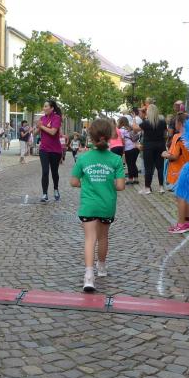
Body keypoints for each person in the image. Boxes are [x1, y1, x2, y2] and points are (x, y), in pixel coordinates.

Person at [70, 119, 125, 293]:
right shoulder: (116, 159)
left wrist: (88, 183)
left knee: (89, 239)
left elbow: (74, 182)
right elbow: (121, 186)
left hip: (88, 205)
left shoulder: (83, 158)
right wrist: (106, 183)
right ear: (110, 137)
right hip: (106, 205)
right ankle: (101, 267)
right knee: (103, 237)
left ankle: (88, 276)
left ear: (91, 137)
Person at [163, 113, 189, 233]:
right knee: (188, 196)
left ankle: (181, 224)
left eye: (175, 122)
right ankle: (188, 222)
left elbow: (174, 156)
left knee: (181, 197)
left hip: (179, 170)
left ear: (179, 124)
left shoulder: (178, 137)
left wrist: (164, 154)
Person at [135, 104, 167, 195]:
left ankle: (147, 188)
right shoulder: (162, 122)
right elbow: (165, 134)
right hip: (160, 146)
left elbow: (135, 128)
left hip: (148, 147)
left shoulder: (146, 123)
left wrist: (134, 118)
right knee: (160, 167)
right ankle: (161, 187)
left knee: (148, 168)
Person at [36, 100, 63, 202]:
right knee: (45, 171)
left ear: (52, 108)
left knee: (54, 172)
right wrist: (37, 128)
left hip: (55, 150)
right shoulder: (42, 119)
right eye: (44, 106)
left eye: (46, 106)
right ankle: (44, 194)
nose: (44, 108)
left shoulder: (57, 118)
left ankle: (56, 189)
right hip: (43, 149)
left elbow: (53, 132)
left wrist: (41, 126)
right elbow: (35, 133)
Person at [120, 116, 140, 185]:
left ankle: (130, 179)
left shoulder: (122, 130)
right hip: (136, 147)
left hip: (128, 148)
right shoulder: (131, 128)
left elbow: (123, 141)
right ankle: (136, 178)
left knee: (130, 164)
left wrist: (122, 150)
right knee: (133, 163)